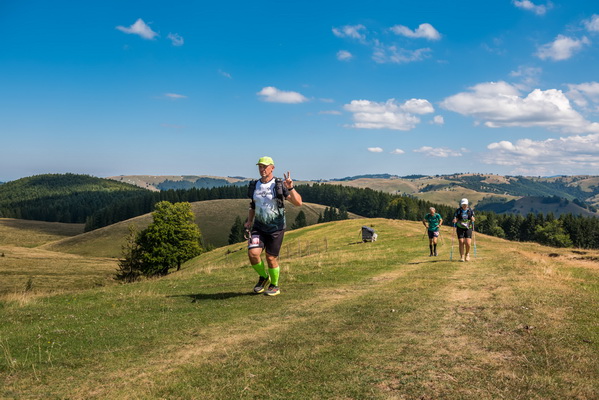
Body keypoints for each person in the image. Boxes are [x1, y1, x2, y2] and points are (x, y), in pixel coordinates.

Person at [244, 156, 302, 296]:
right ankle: (264, 277)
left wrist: (291, 187)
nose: (262, 169)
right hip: (259, 227)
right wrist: (249, 221)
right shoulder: (255, 185)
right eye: (260, 166)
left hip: (276, 228)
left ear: (272, 168)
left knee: (270, 258)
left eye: (265, 166)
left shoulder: (279, 185)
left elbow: (298, 203)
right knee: (253, 254)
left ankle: (274, 285)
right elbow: (253, 205)